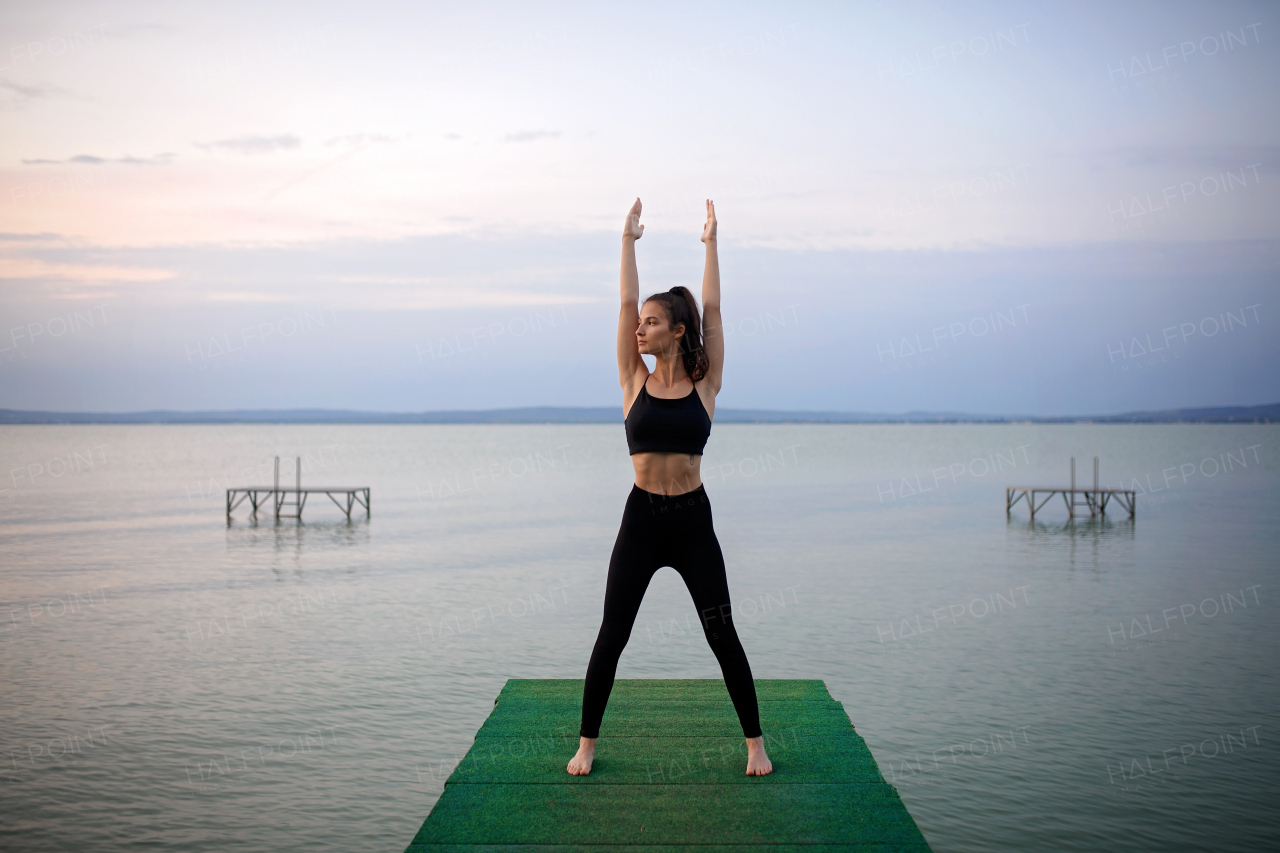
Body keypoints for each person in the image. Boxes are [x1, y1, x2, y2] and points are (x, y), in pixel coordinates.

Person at [566, 198, 772, 777]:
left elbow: (714, 309)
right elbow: (625, 301)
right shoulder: (633, 378)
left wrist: (710, 244)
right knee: (613, 633)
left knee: (720, 631)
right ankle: (586, 745)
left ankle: (755, 745)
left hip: (691, 521)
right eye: (641, 323)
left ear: (677, 332)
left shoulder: (707, 385)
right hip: (641, 520)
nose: (640, 328)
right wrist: (627, 240)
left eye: (653, 323)